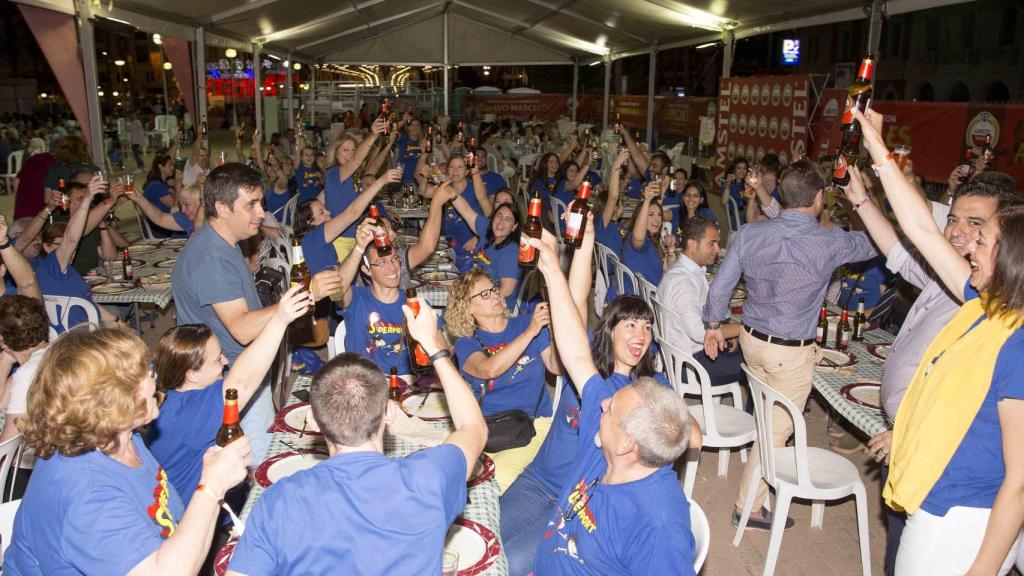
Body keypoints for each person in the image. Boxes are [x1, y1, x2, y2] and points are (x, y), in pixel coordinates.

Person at [854, 106, 1024, 576]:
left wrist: (983, 569)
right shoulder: (981, 302)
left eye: (981, 238)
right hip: (935, 495)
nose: (964, 242)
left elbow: (1020, 483)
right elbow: (922, 231)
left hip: (960, 521)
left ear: (1008, 257)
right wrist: (878, 151)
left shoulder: (1018, 342)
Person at [226, 302, 488, 575]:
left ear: (313, 421)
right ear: (389, 412)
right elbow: (473, 427)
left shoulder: (278, 502)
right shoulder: (429, 478)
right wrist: (435, 348)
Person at [499, 213, 680, 575]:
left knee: (511, 563)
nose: (640, 334)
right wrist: (584, 239)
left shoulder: (649, 392)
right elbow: (576, 300)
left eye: (647, 327)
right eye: (630, 324)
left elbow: (684, 434)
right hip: (539, 482)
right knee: (483, 537)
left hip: (580, 501)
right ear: (610, 330)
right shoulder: (588, 373)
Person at [703, 158, 876, 530]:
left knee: (771, 424)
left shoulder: (750, 232)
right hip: (789, 353)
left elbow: (720, 285)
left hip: (751, 343)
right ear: (818, 198)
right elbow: (875, 242)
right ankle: (748, 508)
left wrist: (714, 325)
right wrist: (859, 202)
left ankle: (751, 500)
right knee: (777, 433)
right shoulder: (829, 242)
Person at [4, 326, 252, 575]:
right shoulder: (87, 492)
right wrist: (211, 487)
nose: (155, 378)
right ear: (114, 399)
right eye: (145, 373)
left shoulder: (121, 437)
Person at [171, 163, 340, 462]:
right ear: (222, 209)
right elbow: (242, 328)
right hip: (228, 374)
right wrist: (305, 295)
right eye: (251, 205)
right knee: (261, 461)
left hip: (234, 368)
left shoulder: (223, 242)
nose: (261, 212)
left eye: (260, 202)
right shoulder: (212, 257)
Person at [149, 286, 307, 505]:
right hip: (201, 517)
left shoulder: (180, 397)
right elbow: (241, 383)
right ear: (192, 375)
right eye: (217, 359)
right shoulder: (186, 413)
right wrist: (280, 319)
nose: (225, 361)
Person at [658, 216, 743, 386]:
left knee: (753, 352)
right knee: (763, 365)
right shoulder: (683, 282)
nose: (717, 249)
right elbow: (699, 333)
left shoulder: (685, 271)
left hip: (691, 354)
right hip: (692, 365)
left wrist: (727, 335)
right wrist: (741, 329)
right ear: (692, 244)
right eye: (712, 243)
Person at [36, 179, 117, 327]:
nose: (68, 252)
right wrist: (87, 198)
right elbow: (70, 239)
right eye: (59, 246)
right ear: (46, 247)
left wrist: (115, 321)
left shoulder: (68, 270)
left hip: (91, 320)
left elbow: (88, 301)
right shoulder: (50, 268)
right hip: (78, 332)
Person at [0, 295, 48, 496]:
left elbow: (7, 449)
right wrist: (5, 360)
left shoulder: (28, 374)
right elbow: (2, 401)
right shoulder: (50, 351)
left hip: (27, 472)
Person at [322, 118, 387, 261]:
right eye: (345, 150)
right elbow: (356, 161)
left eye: (353, 150)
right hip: (339, 240)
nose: (350, 154)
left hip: (353, 239)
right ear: (336, 152)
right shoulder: (334, 173)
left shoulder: (353, 178)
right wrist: (373, 135)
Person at [450, 199, 523, 310]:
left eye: (508, 219)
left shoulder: (512, 251)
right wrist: (449, 191)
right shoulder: (487, 231)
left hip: (499, 307)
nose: (501, 222)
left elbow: (506, 291)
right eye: (499, 216)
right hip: (480, 293)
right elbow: (465, 210)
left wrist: (474, 302)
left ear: (514, 227)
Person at [621, 181, 675, 290]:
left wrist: (671, 249)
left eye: (659, 215)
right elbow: (638, 237)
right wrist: (647, 201)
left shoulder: (651, 241)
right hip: (638, 300)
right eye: (650, 215)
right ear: (641, 217)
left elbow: (669, 269)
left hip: (650, 295)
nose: (657, 219)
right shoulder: (637, 240)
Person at [127, 182, 204, 237]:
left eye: (187, 205)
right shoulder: (186, 219)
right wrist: (139, 199)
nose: (183, 210)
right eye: (181, 205)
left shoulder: (213, 222)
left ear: (202, 204)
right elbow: (160, 218)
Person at [0, 215, 41, 299]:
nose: (38, 239)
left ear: (2, 269)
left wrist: (3, 242)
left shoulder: (16, 303)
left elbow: (28, 283)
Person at [142, 152, 178, 237]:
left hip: (158, 222)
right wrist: (178, 185)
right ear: (161, 166)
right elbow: (175, 206)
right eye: (170, 165)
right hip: (160, 227)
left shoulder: (159, 183)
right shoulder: (157, 185)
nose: (173, 168)